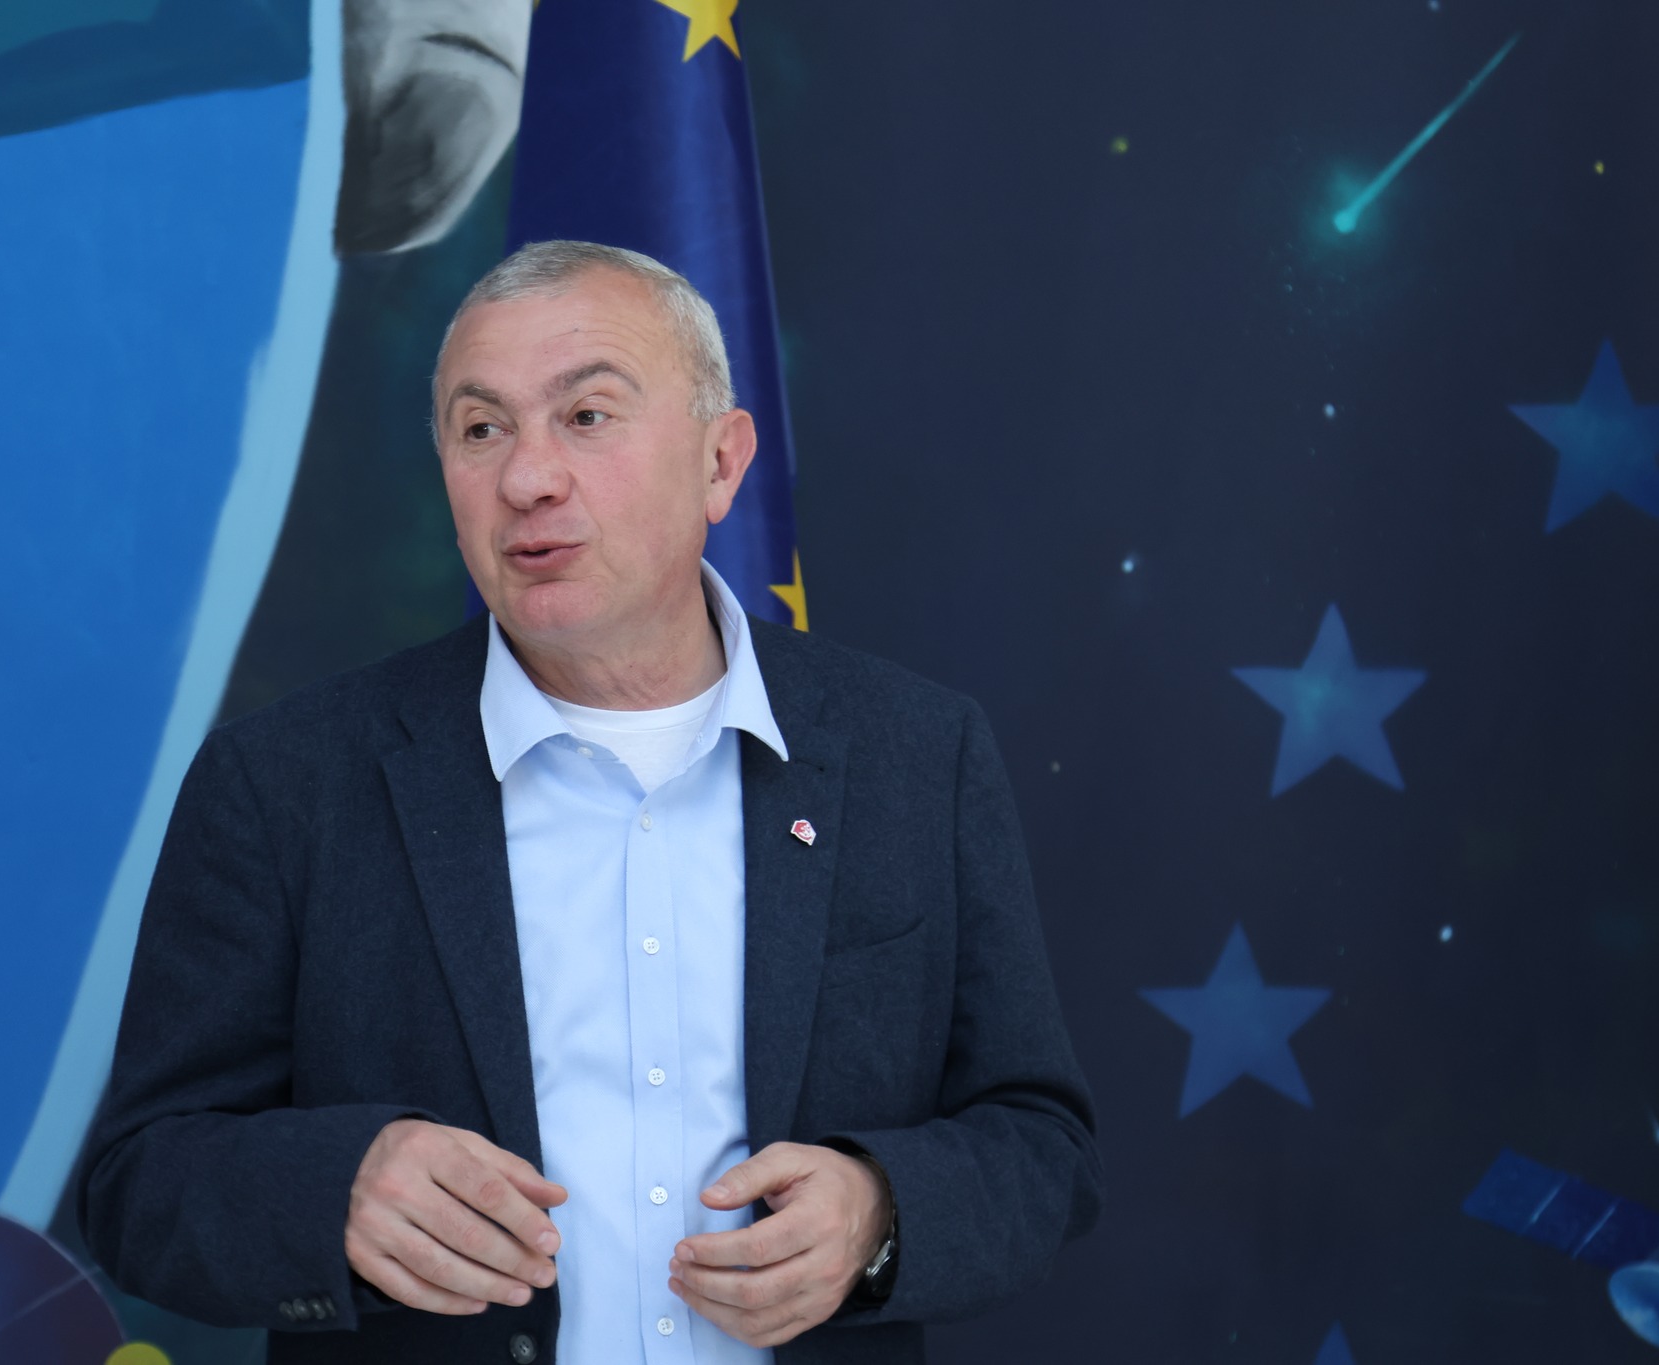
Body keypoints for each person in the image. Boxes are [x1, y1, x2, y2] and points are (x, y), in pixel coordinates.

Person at [77, 240, 1101, 1364]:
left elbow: (1039, 1146)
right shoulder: (283, 781)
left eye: (587, 416)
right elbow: (140, 1180)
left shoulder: (918, 754)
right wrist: (332, 1189)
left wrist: (882, 1212)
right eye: (481, 429)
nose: (528, 478)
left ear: (720, 461)